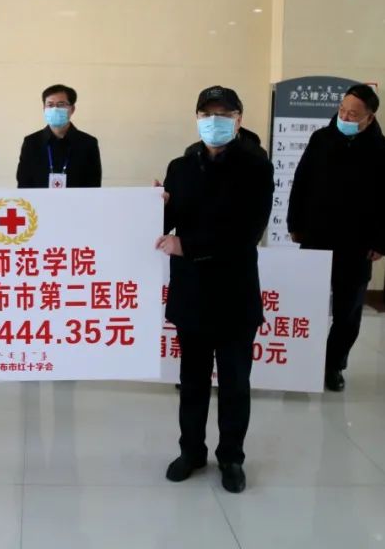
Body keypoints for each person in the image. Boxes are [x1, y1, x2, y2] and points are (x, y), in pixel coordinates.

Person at [157, 86, 274, 494]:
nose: (214, 121)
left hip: (234, 290)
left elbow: (246, 232)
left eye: (223, 113)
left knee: (235, 382)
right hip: (191, 291)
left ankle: (231, 457)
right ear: (196, 117)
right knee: (191, 380)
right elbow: (168, 222)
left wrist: (187, 245)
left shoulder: (256, 166)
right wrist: (156, 204)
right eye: (207, 113)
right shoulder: (181, 165)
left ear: (239, 119)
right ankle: (191, 451)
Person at [287, 83, 385, 393]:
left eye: (353, 114)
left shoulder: (383, 150)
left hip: (357, 244)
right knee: (306, 304)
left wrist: (381, 241)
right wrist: (295, 223)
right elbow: (301, 182)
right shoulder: (321, 139)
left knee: (347, 313)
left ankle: (332, 365)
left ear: (369, 117)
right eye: (342, 110)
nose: (345, 117)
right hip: (316, 237)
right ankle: (301, 363)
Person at [16, 84, 101, 188]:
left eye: (61, 104)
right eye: (50, 105)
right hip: (39, 199)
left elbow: (94, 185)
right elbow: (23, 184)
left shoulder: (88, 143)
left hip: (77, 199)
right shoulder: (31, 142)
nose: (55, 109)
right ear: (44, 109)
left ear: (72, 109)